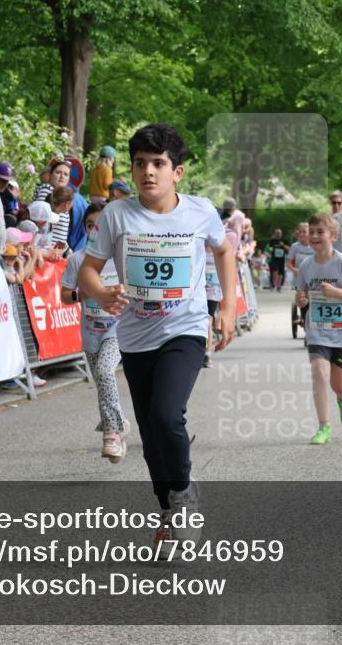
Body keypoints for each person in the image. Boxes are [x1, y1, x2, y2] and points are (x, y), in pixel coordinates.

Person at [78, 123, 238, 544]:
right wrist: (102, 293)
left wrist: (227, 307)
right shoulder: (116, 215)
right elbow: (87, 273)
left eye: (159, 164)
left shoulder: (200, 211)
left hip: (184, 329)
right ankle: (168, 511)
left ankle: (184, 495)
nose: (149, 172)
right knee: (150, 434)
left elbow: (224, 250)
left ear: (177, 172)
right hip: (134, 335)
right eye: (140, 164)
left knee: (168, 416)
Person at [61, 202, 131, 462]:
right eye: (90, 226)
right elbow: (65, 296)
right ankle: (119, 423)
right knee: (102, 383)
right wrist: (85, 292)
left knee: (104, 371)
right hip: (91, 330)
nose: (95, 230)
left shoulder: (123, 257)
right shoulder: (78, 260)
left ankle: (112, 432)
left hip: (119, 327)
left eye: (100, 225)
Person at [294, 212, 342, 445]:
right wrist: (302, 301)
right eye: (311, 232)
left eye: (320, 232)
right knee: (319, 374)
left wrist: (336, 293)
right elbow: (301, 296)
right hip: (317, 331)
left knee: (339, 384)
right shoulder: (305, 265)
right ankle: (324, 427)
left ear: (333, 236)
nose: (314, 236)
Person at [48, 185, 74, 256]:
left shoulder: (48, 211)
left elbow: (61, 238)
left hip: (50, 251)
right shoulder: (64, 215)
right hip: (52, 253)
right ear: (68, 203)